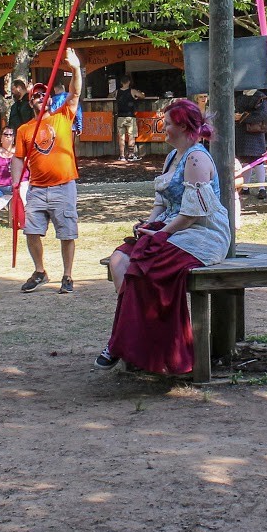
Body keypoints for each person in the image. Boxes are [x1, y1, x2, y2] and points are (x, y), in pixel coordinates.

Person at [96, 98, 230, 374]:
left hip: (202, 235)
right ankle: (134, 340)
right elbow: (162, 201)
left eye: (167, 123)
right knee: (120, 259)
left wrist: (160, 233)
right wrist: (151, 222)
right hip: (175, 227)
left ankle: (134, 346)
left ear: (182, 126)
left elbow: (194, 213)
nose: (163, 127)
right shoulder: (172, 156)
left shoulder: (196, 158)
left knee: (146, 269)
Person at [15, 49, 83, 294]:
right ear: (31, 101)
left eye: (44, 94)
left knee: (67, 233)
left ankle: (67, 276)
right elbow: (18, 158)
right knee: (31, 232)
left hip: (63, 185)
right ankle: (40, 271)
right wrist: (15, 185)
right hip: (37, 188)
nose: (41, 97)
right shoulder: (25, 129)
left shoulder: (63, 116)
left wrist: (75, 68)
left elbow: (75, 93)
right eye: (36, 95)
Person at [234, 90, 267, 199]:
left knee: (258, 160)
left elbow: (263, 114)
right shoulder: (241, 96)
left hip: (255, 132)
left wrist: (242, 117)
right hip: (242, 132)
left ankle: (262, 188)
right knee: (245, 160)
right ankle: (245, 187)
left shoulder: (260, 97)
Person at [114, 74, 145, 162]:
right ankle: (131, 155)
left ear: (121, 82)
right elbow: (142, 96)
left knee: (121, 137)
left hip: (120, 117)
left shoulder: (117, 92)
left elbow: (109, 96)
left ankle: (122, 156)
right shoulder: (132, 91)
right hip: (130, 117)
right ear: (129, 82)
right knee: (131, 136)